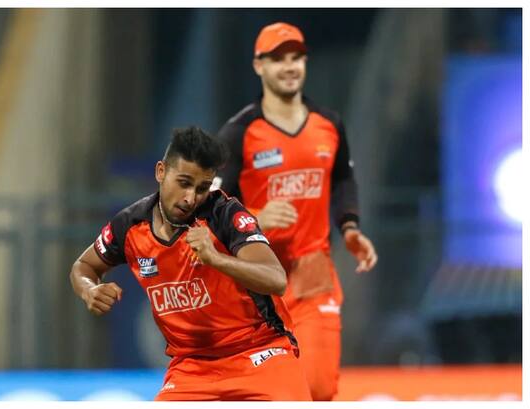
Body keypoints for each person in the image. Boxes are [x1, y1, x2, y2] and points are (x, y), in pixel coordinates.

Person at [69, 126, 312, 401]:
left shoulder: (224, 214)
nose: (190, 198)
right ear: (161, 171)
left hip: (259, 354)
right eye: (184, 183)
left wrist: (216, 259)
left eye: (202, 188)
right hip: (191, 368)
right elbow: (83, 267)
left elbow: (276, 279)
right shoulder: (129, 225)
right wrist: (89, 289)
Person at [215, 22, 378, 401]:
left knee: (317, 387)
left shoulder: (329, 125)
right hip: (256, 283)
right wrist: (255, 217)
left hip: (312, 276)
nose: (289, 67)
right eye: (278, 59)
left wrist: (350, 227)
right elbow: (207, 207)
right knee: (271, 392)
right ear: (259, 66)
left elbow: (342, 179)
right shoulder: (239, 133)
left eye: (296, 58)